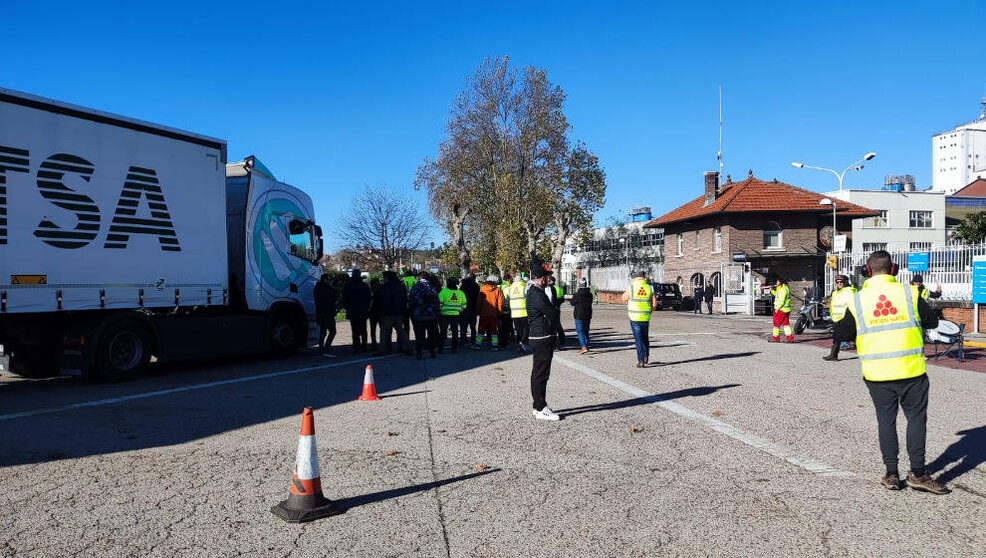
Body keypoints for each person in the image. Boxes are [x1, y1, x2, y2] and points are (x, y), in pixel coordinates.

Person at [834, 250, 949, 494]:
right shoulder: (910, 293)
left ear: (867, 270)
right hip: (912, 371)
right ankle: (918, 473)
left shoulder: (857, 299)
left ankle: (891, 473)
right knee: (916, 420)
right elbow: (932, 322)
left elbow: (843, 335)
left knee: (886, 422)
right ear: (894, 269)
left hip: (877, 374)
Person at [527, 261, 561, 421]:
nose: (549, 279)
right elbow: (552, 313)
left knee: (538, 373)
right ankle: (540, 407)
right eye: (548, 276)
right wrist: (554, 310)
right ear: (541, 278)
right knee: (541, 373)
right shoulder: (537, 293)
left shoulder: (536, 292)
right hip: (541, 337)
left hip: (539, 336)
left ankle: (538, 405)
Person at [622, 270, 657, 367]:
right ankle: (646, 356)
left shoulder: (632, 287)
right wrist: (650, 311)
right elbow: (654, 304)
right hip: (645, 317)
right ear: (644, 277)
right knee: (645, 338)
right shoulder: (650, 287)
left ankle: (641, 360)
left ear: (635, 278)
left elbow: (624, 298)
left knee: (638, 339)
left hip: (634, 317)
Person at [823, 275, 856, 361]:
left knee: (852, 336)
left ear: (845, 282)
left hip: (847, 317)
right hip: (837, 317)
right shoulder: (835, 292)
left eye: (841, 282)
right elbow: (834, 303)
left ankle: (868, 354)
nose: (839, 283)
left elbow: (853, 304)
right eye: (837, 282)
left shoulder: (849, 291)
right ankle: (833, 355)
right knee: (836, 337)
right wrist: (829, 305)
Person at [377, 271, 410, 356]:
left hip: (388, 314)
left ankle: (384, 349)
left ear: (387, 278)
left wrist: (382, 313)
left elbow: (384, 301)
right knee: (401, 332)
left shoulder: (385, 287)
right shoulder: (401, 286)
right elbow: (405, 299)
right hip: (399, 313)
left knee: (385, 333)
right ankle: (404, 348)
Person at [408, 271, 440, 359]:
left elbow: (411, 302)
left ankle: (419, 353)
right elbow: (437, 302)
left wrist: (412, 314)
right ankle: (432, 352)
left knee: (419, 336)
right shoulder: (432, 288)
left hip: (418, 316)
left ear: (419, 277)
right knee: (431, 334)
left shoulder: (414, 288)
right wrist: (436, 313)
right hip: (431, 316)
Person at [341, 268, 371, 353]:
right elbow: (369, 298)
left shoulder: (348, 285)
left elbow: (344, 298)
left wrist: (347, 308)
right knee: (363, 329)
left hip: (352, 310)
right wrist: (366, 307)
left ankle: (356, 345)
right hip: (362, 310)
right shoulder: (364, 286)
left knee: (355, 330)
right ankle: (364, 346)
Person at [474, 274, 504, 350]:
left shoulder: (482, 289)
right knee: (494, 330)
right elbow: (500, 303)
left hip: (483, 314)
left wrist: (478, 311)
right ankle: (494, 345)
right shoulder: (498, 290)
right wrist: (499, 313)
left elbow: (479, 302)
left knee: (481, 330)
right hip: (493, 314)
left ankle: (478, 345)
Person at [313, 273, 338, 358]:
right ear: (326, 280)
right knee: (332, 331)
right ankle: (327, 348)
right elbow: (335, 296)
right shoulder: (328, 289)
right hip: (328, 314)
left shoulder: (317, 288)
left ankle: (321, 349)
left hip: (320, 313)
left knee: (322, 332)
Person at [438, 277, 465, 353]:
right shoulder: (460, 293)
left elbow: (439, 304)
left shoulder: (443, 292)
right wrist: (459, 310)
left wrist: (441, 311)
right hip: (456, 315)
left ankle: (441, 348)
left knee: (443, 332)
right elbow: (464, 305)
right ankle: (454, 348)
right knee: (455, 332)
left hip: (444, 315)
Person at [570, 277, 593, 354]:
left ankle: (583, 347)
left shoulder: (577, 294)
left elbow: (572, 303)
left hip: (579, 315)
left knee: (580, 331)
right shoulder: (590, 294)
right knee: (586, 331)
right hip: (588, 314)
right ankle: (586, 345)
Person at [509, 273, 531, 353]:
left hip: (514, 313)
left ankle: (519, 344)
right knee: (526, 328)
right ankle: (524, 342)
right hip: (524, 312)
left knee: (518, 330)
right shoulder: (524, 286)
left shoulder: (510, 287)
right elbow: (529, 298)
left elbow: (508, 298)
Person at [768, 275, 793, 342]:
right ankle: (789, 338)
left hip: (781, 310)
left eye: (777, 281)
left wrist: (777, 308)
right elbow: (777, 294)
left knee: (776, 324)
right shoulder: (785, 288)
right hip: (786, 310)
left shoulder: (783, 290)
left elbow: (781, 301)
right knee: (786, 324)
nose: (776, 282)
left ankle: (775, 338)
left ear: (781, 282)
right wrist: (772, 290)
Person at [458, 270, 480, 346]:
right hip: (473, 308)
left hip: (463, 309)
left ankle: (463, 340)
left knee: (463, 326)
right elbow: (478, 298)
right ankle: (473, 340)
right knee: (473, 327)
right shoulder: (476, 286)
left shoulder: (463, 286)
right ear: (474, 278)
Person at [548, 275, 567, 349]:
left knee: (552, 325)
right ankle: (562, 339)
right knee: (558, 324)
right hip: (557, 308)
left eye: (549, 280)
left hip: (552, 308)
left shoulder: (550, 288)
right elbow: (562, 299)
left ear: (552, 281)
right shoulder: (559, 288)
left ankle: (554, 340)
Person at [499, 273, 515, 350]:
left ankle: (502, 342)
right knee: (506, 327)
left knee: (501, 327)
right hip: (506, 309)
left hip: (500, 309)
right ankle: (503, 343)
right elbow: (507, 299)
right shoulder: (506, 287)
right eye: (511, 279)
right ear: (508, 279)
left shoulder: (501, 286)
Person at [368, 277, 383, 352]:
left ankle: (374, 344)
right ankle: (382, 344)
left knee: (373, 329)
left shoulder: (371, 292)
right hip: (380, 312)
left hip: (373, 312)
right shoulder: (382, 290)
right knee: (382, 329)